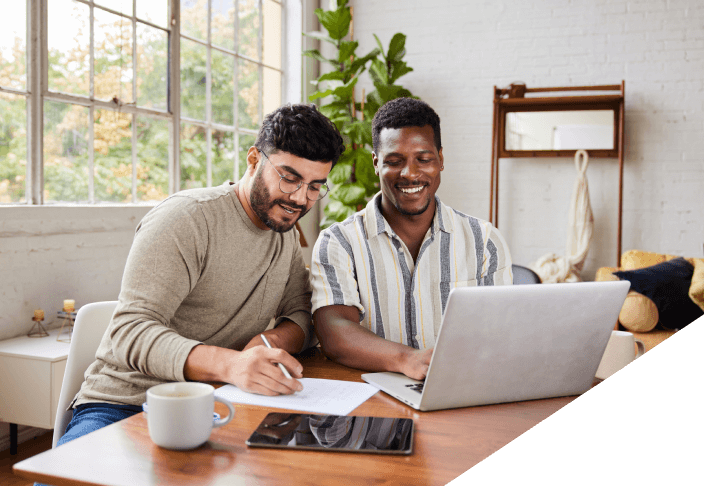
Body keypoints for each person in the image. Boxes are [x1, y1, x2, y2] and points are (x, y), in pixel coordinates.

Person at [56, 104, 345, 448]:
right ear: (254, 160)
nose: (300, 199)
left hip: (219, 402)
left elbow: (303, 313)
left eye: (315, 186)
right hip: (127, 402)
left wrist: (271, 342)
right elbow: (129, 330)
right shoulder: (186, 219)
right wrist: (232, 365)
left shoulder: (282, 231)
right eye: (289, 178)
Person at [310, 97, 512, 382]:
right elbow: (334, 331)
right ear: (376, 163)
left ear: (440, 160)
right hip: (371, 398)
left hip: (460, 387)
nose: (410, 173)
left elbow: (499, 332)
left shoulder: (484, 241)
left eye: (424, 159)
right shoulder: (338, 242)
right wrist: (407, 360)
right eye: (394, 161)